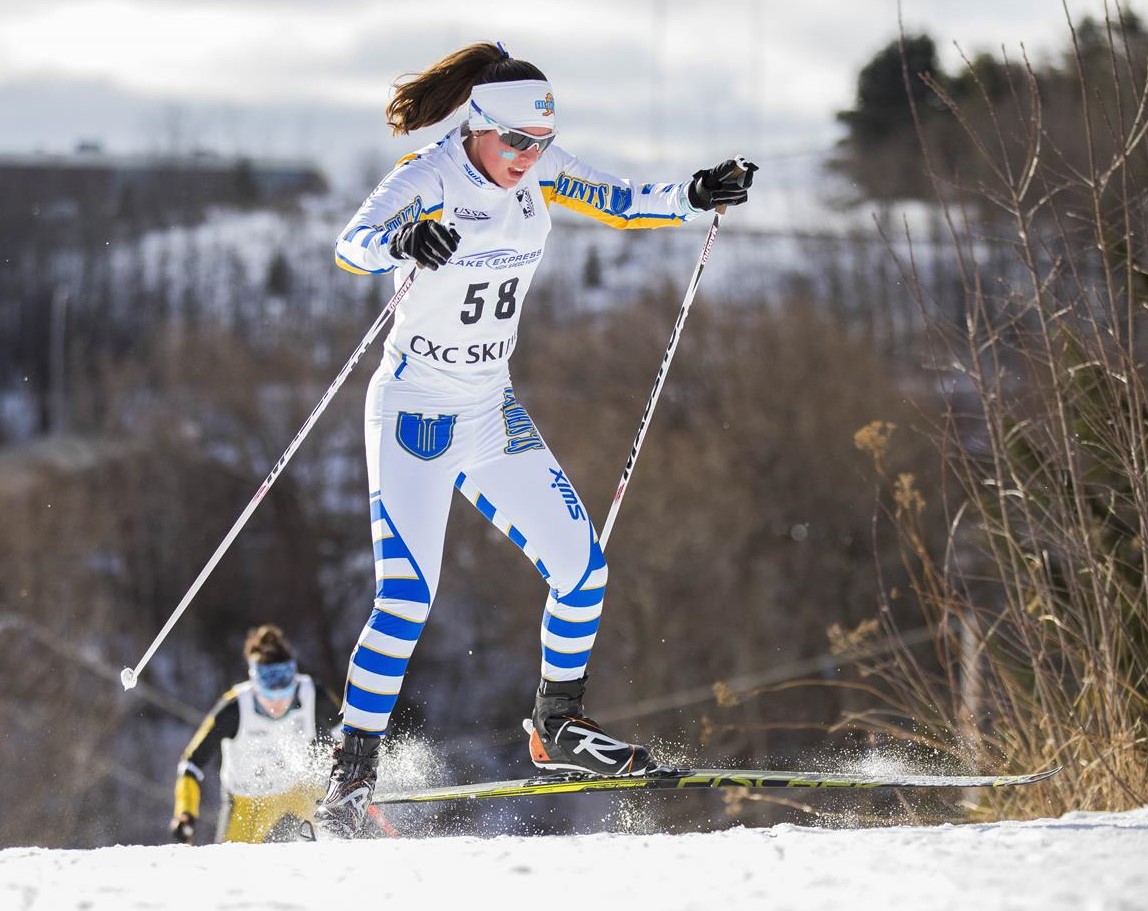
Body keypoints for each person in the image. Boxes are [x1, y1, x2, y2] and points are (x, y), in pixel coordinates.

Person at [316, 40, 756, 838]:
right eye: (516, 142)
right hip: (416, 414)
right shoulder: (427, 177)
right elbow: (352, 244)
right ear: (478, 125)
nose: (529, 158)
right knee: (406, 599)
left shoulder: (541, 171)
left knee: (583, 568)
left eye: (541, 144)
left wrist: (696, 192)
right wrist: (403, 241)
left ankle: (557, 726)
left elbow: (621, 199)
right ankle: (349, 777)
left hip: (490, 410)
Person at [170, 624, 344, 844]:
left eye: (286, 695)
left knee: (342, 831)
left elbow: (348, 735)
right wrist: (185, 813)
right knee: (229, 865)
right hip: (247, 801)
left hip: (297, 790)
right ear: (256, 686)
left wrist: (350, 775)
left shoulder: (312, 693)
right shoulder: (234, 708)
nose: (278, 705)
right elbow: (191, 764)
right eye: (270, 697)